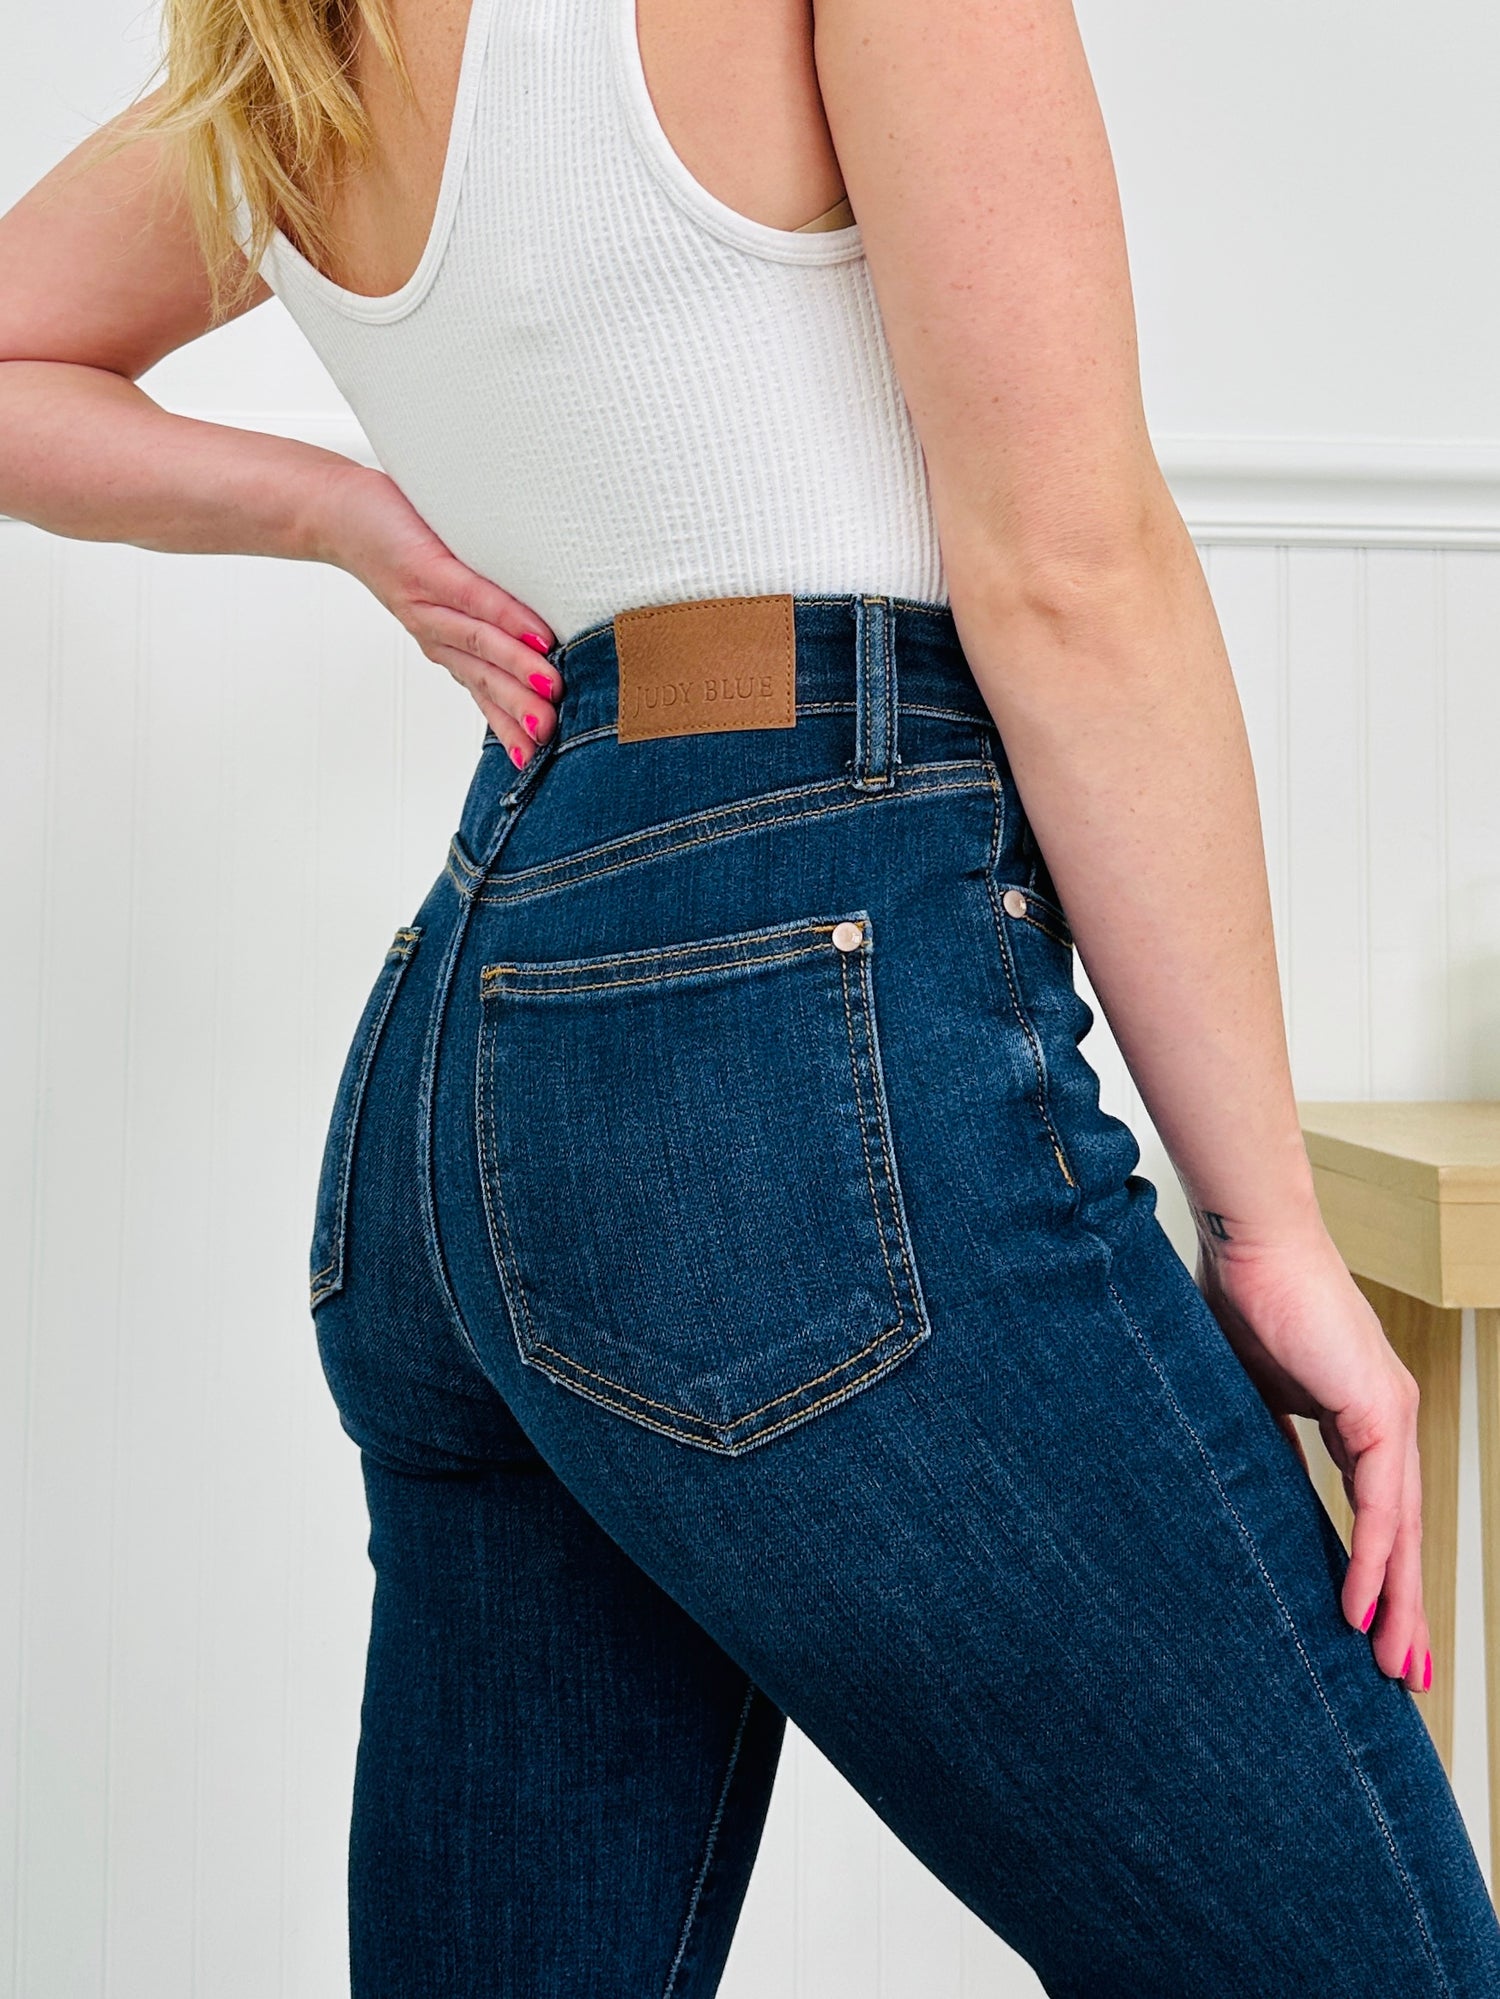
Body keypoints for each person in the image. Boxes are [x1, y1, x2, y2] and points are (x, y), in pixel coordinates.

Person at [3, 0, 1497, 1991]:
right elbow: (1067, 573)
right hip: (782, 1031)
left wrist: (335, 506)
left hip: (464, 1045)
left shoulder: (302, 39)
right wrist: (1272, 1226)